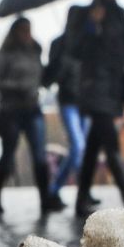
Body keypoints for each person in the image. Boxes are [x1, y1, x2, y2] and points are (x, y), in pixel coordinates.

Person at [68, 0, 124, 216]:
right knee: (110, 141)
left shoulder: (120, 13)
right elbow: (74, 50)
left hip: (112, 87)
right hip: (92, 87)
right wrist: (91, 25)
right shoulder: (80, 13)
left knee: (93, 146)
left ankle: (81, 199)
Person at [0, 17, 60, 215]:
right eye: (23, 30)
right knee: (8, 154)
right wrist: (17, 87)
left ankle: (45, 200)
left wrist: (56, 67)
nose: (27, 34)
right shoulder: (4, 55)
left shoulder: (35, 52)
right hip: (11, 110)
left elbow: (43, 79)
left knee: (40, 155)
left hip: (33, 108)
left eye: (29, 30)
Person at [43, 23, 86, 198]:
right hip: (68, 100)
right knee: (78, 145)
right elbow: (50, 76)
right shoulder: (58, 44)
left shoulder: (86, 43)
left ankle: (61, 188)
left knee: (80, 149)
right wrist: (65, 58)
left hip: (86, 102)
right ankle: (63, 189)